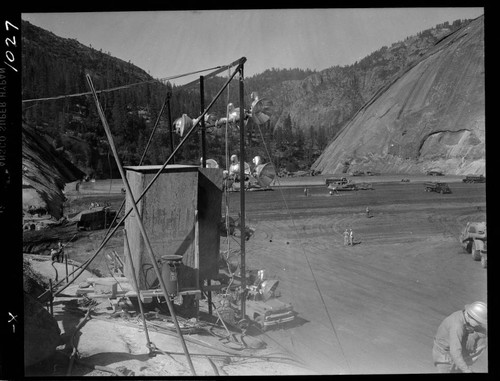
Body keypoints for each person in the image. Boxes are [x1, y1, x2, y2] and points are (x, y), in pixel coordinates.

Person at [432, 301, 487, 373]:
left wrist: (474, 335)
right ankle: (462, 365)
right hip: (444, 355)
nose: (479, 325)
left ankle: (462, 364)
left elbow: (483, 333)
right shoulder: (457, 327)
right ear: (471, 316)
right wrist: (466, 370)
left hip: (455, 346)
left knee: (483, 338)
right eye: (479, 322)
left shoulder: (464, 315)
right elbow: (455, 352)